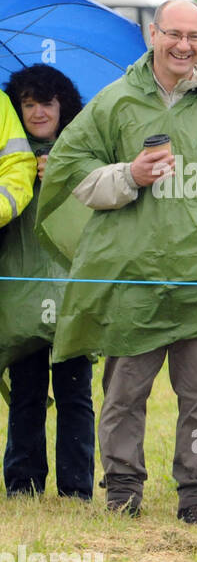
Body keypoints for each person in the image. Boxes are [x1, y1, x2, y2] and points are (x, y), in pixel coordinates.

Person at [36, 0, 197, 525]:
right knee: (123, 391)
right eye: (174, 34)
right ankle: (122, 490)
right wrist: (129, 176)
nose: (184, 46)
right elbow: (72, 174)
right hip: (131, 277)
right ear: (152, 34)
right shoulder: (114, 103)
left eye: (195, 36)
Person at [1, 66, 94, 501]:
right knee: (26, 392)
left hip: (72, 295)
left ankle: (77, 487)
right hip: (21, 294)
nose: (39, 112)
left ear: (64, 106)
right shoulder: (8, 158)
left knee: (76, 394)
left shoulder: (83, 153)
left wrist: (63, 178)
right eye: (28, 103)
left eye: (48, 102)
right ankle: (23, 485)